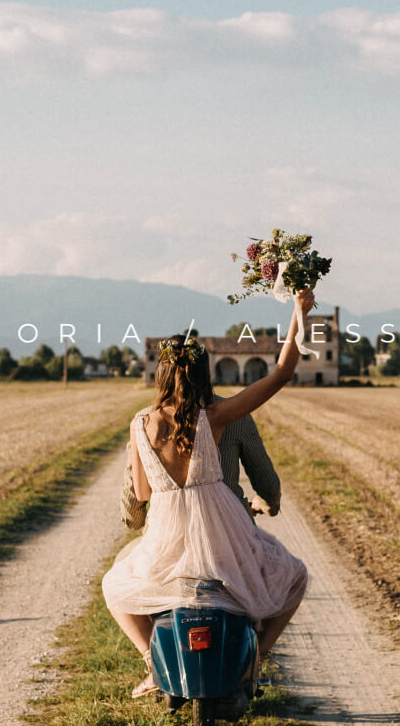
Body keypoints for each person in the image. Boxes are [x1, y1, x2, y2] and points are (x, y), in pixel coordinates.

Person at [102, 288, 316, 698]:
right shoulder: (216, 416)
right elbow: (282, 373)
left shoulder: (139, 424)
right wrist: (297, 312)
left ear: (161, 375)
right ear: (205, 375)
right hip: (223, 533)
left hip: (167, 538)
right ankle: (255, 662)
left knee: (116, 586)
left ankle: (153, 661)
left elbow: (144, 494)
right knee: (294, 577)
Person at [120, 406, 279, 530]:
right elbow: (269, 486)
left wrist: (138, 520)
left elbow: (132, 510)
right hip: (232, 530)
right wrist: (264, 505)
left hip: (164, 535)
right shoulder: (236, 415)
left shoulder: (143, 420)